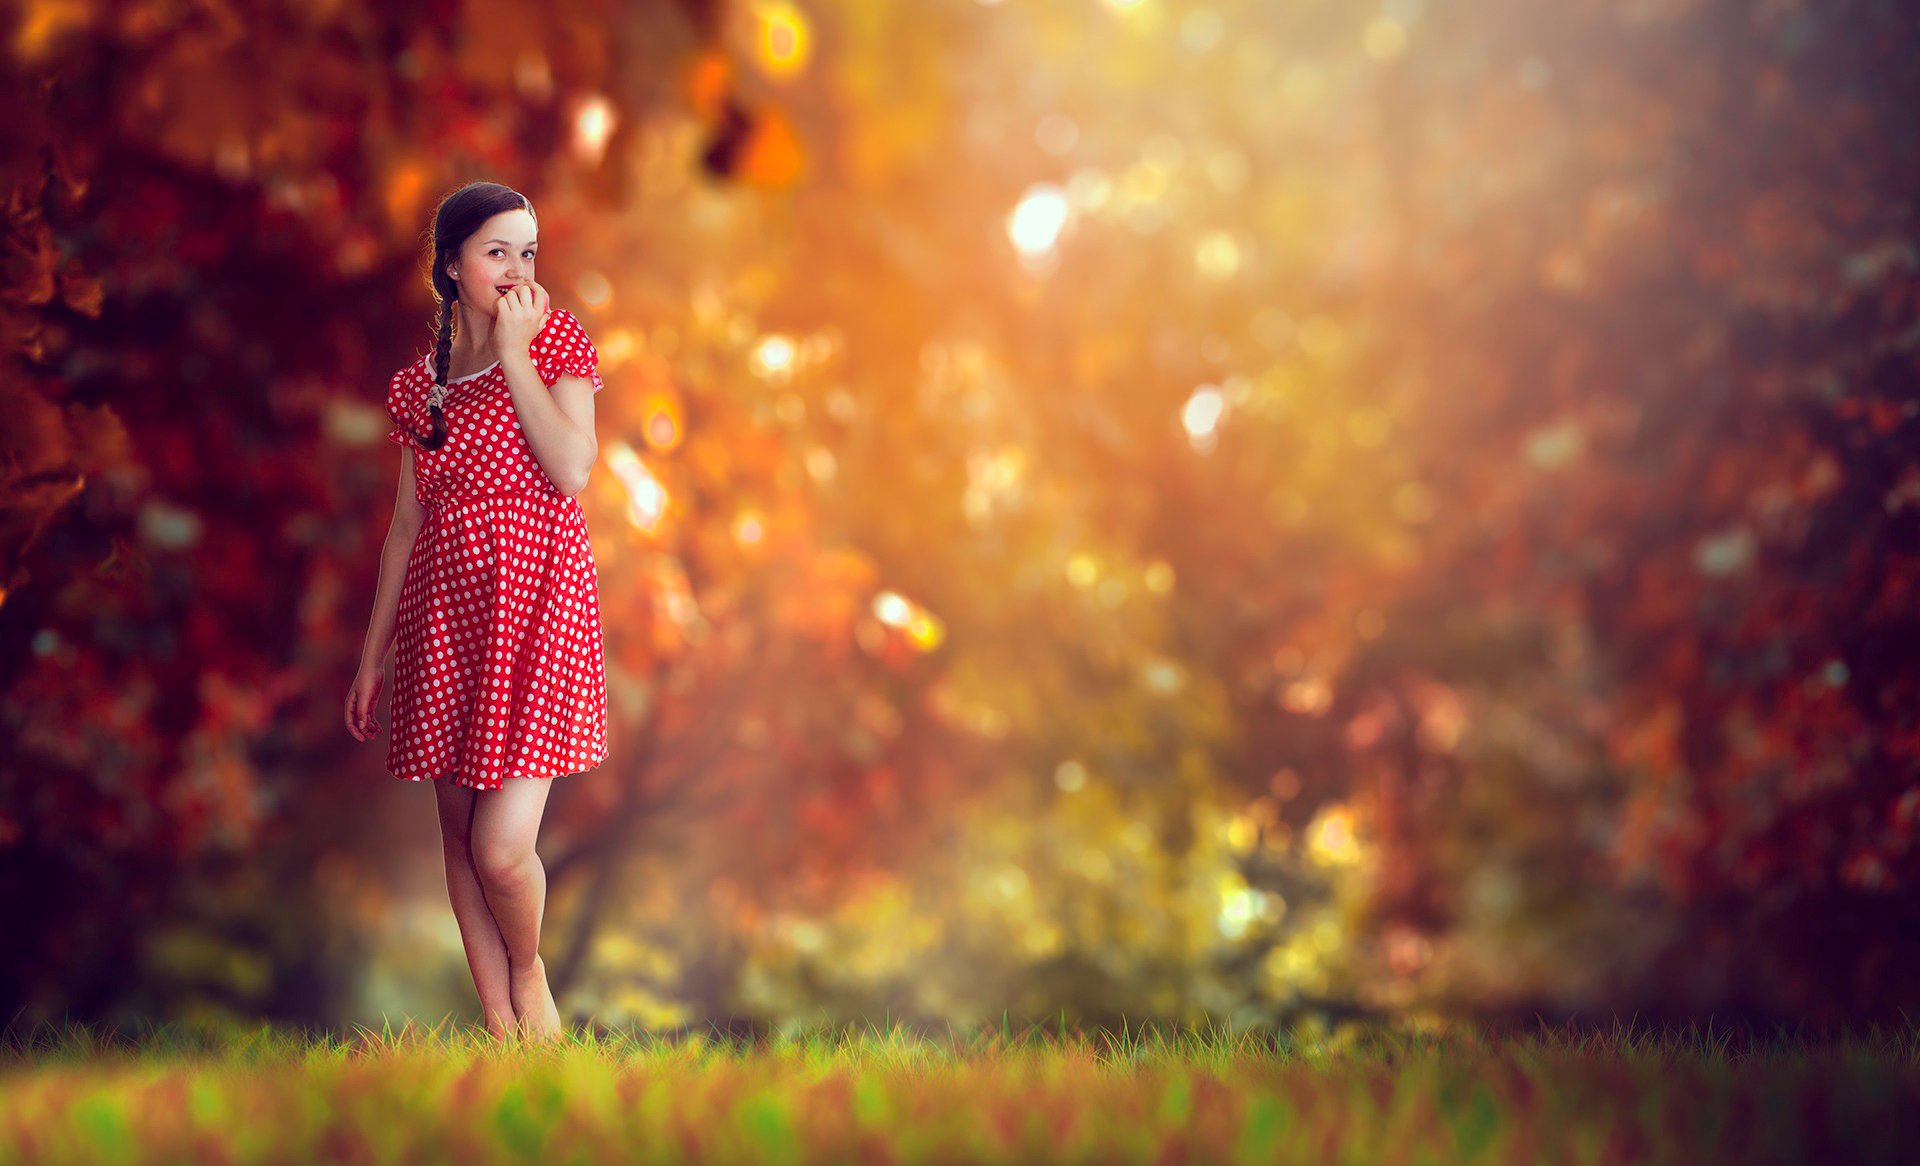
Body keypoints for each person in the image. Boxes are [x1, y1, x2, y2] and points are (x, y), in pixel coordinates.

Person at [343, 181, 609, 1041]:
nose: (516, 269)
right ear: (453, 264)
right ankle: (502, 1031)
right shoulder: (418, 389)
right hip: (446, 621)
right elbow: (404, 528)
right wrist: (371, 656)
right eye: (497, 251)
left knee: (502, 849)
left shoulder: (557, 342)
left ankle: (528, 972)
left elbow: (570, 469)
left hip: (539, 613)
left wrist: (519, 354)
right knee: (458, 838)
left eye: (528, 252)